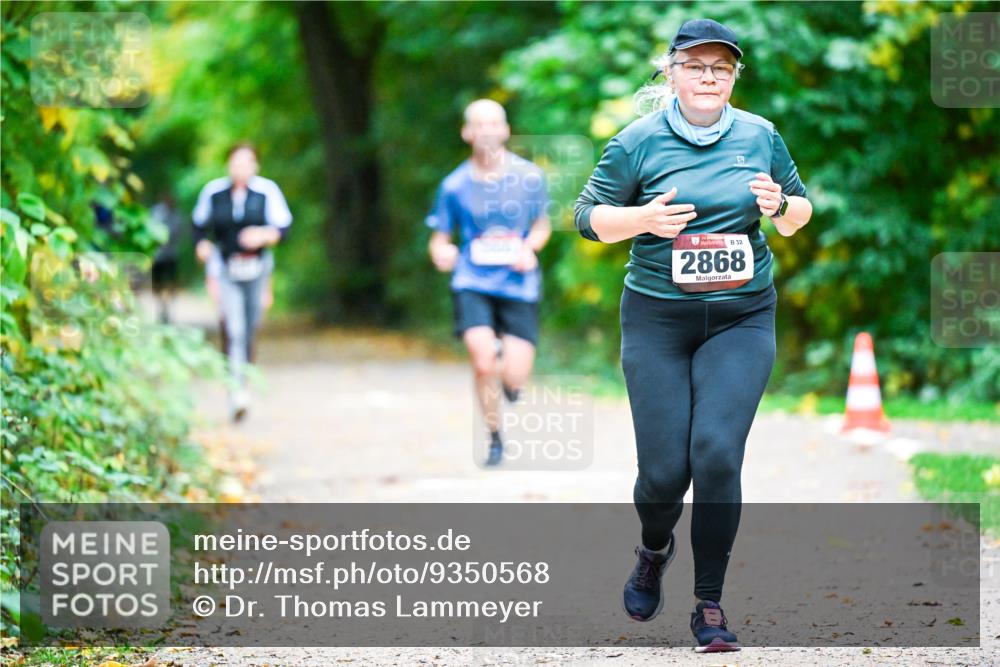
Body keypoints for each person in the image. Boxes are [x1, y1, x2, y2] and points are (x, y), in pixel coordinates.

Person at [574, 19, 813, 653]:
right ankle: (654, 550)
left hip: (741, 316)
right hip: (657, 318)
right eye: (696, 66)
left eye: (721, 68)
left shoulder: (760, 135)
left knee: (715, 454)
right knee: (661, 474)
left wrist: (779, 208)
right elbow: (586, 217)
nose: (709, 77)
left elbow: (799, 210)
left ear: (733, 77)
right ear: (672, 72)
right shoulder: (637, 141)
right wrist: (643, 219)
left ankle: (709, 604)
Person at [426, 99, 551, 466]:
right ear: (467, 133)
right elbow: (439, 236)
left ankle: (511, 384)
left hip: (518, 282)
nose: (486, 131)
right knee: (483, 362)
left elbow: (541, 225)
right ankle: (495, 437)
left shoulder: (530, 177)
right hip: (473, 280)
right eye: (478, 125)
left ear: (506, 130)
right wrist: (441, 252)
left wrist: (529, 248)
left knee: (514, 374)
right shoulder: (453, 186)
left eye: (493, 123)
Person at [192, 143, 292, 422]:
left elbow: (284, 229)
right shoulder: (213, 193)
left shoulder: (267, 192)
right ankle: (236, 391)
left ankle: (244, 380)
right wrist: (202, 247)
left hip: (257, 269)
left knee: (250, 328)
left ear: (255, 165)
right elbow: (198, 227)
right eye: (236, 163)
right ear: (228, 165)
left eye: (246, 163)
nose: (240, 168)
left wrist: (263, 235)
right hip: (225, 269)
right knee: (233, 328)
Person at [150, 193, 184, 324]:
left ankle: (167, 307)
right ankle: (161, 307)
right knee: (157, 285)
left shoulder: (177, 215)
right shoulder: (156, 213)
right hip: (158, 256)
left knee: (171, 283)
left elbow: (180, 233)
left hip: (171, 255)